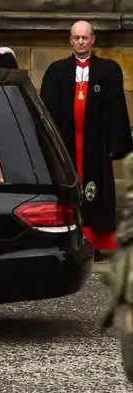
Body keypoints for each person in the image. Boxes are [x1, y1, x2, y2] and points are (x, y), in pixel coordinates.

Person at [40, 20, 133, 260]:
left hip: (96, 144)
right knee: (69, 192)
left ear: (93, 40)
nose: (80, 42)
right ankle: (69, 240)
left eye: (84, 37)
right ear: (70, 40)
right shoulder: (56, 71)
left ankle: (95, 241)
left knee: (96, 191)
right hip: (67, 143)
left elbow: (117, 110)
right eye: (76, 38)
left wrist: (116, 145)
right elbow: (47, 111)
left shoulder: (109, 70)